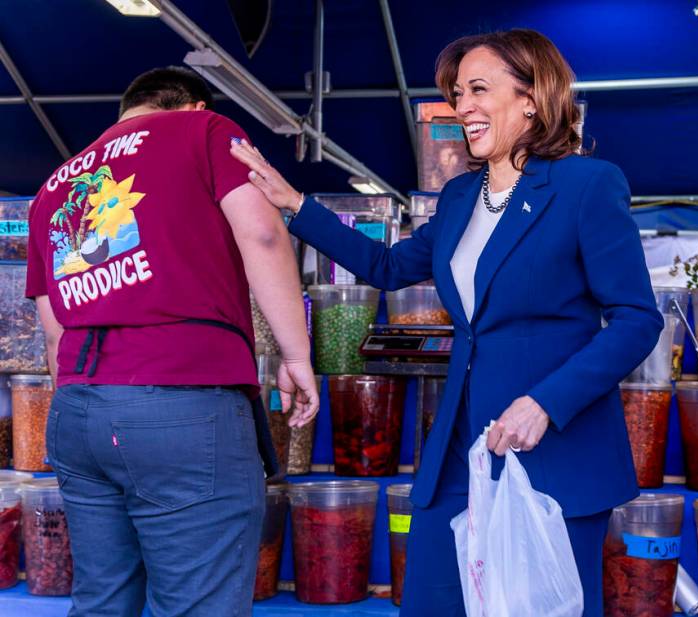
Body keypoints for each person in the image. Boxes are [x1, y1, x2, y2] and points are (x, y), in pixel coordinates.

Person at [231, 29, 661, 616]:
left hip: (556, 450)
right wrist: (294, 204)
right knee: (433, 600)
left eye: (478, 89)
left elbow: (638, 319)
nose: (462, 108)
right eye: (458, 94)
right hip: (460, 447)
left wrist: (546, 402)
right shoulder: (460, 196)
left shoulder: (587, 185)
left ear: (531, 97)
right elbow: (385, 266)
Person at [25, 67, 319, 616]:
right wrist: (296, 355)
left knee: (102, 603)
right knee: (196, 605)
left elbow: (53, 331)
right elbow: (262, 231)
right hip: (183, 404)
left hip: (78, 410)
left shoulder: (54, 186)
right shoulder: (203, 130)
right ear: (192, 105)